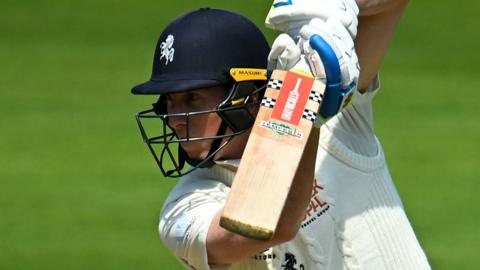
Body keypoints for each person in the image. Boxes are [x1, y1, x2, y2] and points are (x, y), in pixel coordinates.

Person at [131, 1, 431, 269]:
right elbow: (269, 224)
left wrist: (340, 7)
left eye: (192, 98)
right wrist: (304, 104)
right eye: (170, 101)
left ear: (247, 96)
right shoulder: (185, 207)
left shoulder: (340, 121)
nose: (174, 120)